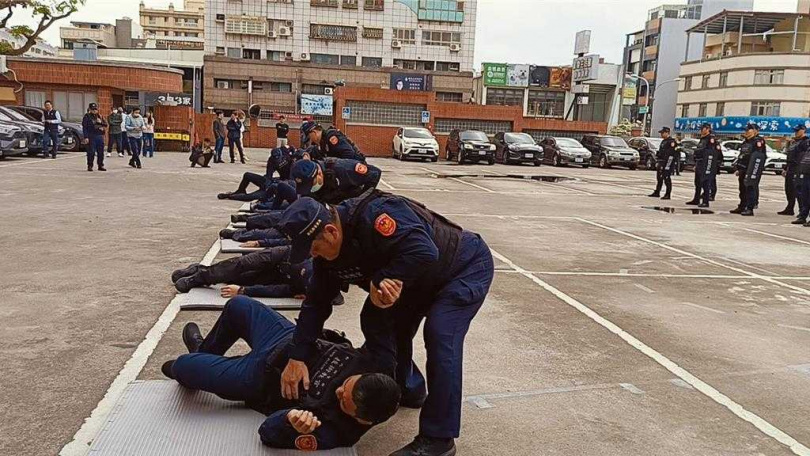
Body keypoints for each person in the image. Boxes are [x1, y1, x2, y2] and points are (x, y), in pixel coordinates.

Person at [276, 193, 494, 456]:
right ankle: (409, 387)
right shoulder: (328, 260)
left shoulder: (376, 215)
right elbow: (315, 304)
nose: (313, 256)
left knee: (440, 334)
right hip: (418, 281)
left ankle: (439, 439)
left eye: (314, 248)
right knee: (377, 319)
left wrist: (381, 279)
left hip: (461, 267)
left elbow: (425, 250)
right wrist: (297, 357)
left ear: (331, 232)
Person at [161, 296, 401, 450]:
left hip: (258, 376)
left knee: (181, 367)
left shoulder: (339, 431)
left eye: (342, 398)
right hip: (288, 340)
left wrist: (291, 421)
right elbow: (378, 321)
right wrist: (381, 298)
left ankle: (197, 361)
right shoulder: (382, 364)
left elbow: (268, 433)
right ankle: (204, 353)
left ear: (362, 419)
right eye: (347, 383)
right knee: (238, 305)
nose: (339, 389)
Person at [171, 244, 308, 294]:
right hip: (285, 254)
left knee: (241, 279)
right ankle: (199, 277)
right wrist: (261, 242)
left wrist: (243, 291)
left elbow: (283, 290)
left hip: (283, 276)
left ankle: (199, 269)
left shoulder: (315, 287)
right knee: (242, 264)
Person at [291, 158, 382, 204]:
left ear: (319, 173)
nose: (310, 188)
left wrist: (361, 199)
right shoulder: (307, 176)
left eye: (312, 184)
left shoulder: (345, 169)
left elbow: (375, 173)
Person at [732, 123, 767, 216]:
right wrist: (738, 168)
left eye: (748, 130)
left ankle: (750, 208)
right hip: (743, 169)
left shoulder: (758, 142)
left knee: (750, 188)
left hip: (751, 169)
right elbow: (741, 156)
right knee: (742, 188)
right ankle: (742, 206)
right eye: (745, 130)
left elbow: (759, 157)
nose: (746, 132)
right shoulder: (745, 142)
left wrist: (754, 170)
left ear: (754, 131)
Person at [647, 127, 678, 200]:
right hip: (661, 161)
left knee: (666, 177)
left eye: (662, 133)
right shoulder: (664, 141)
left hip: (667, 162)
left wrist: (667, 164)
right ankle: (657, 192)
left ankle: (668, 194)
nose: (661, 134)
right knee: (659, 177)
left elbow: (671, 154)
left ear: (667, 133)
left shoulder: (671, 142)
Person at [789, 124, 810, 225]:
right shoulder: (807, 144)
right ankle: (803, 216)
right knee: (804, 195)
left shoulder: (805, 143)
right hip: (804, 172)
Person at [82, 103, 107, 172]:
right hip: (91, 136)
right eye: (93, 109)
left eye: (95, 109)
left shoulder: (100, 116)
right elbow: (85, 128)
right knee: (91, 152)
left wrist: (100, 122)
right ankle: (90, 165)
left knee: (100, 152)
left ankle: (100, 165)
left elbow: (106, 124)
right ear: (90, 109)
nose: (94, 111)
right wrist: (86, 137)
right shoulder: (87, 117)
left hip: (99, 135)